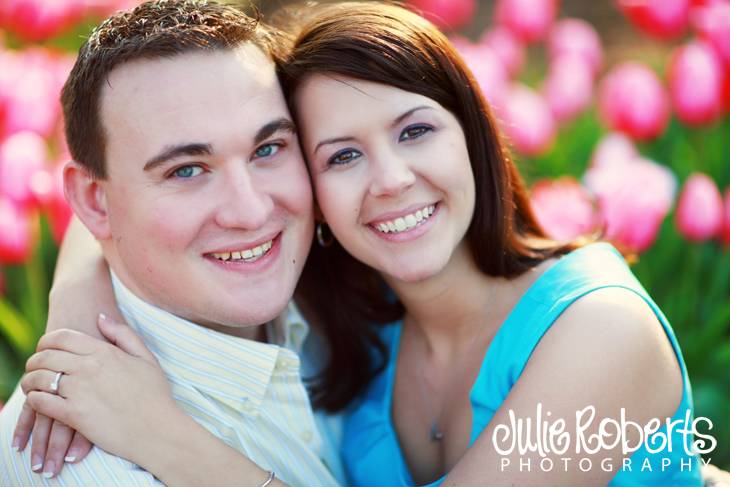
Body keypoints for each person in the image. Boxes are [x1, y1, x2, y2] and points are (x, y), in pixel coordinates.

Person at [13, 1, 708, 486]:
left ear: (471, 130)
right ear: (310, 181)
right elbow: (123, 197)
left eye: (414, 131)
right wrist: (74, 314)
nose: (391, 181)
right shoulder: (350, 311)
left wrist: (163, 434)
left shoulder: (600, 328)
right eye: (341, 156)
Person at [0, 1, 350, 486]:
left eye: (267, 149)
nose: (250, 212)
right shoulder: (84, 466)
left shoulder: (345, 282)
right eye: (186, 170)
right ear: (94, 202)